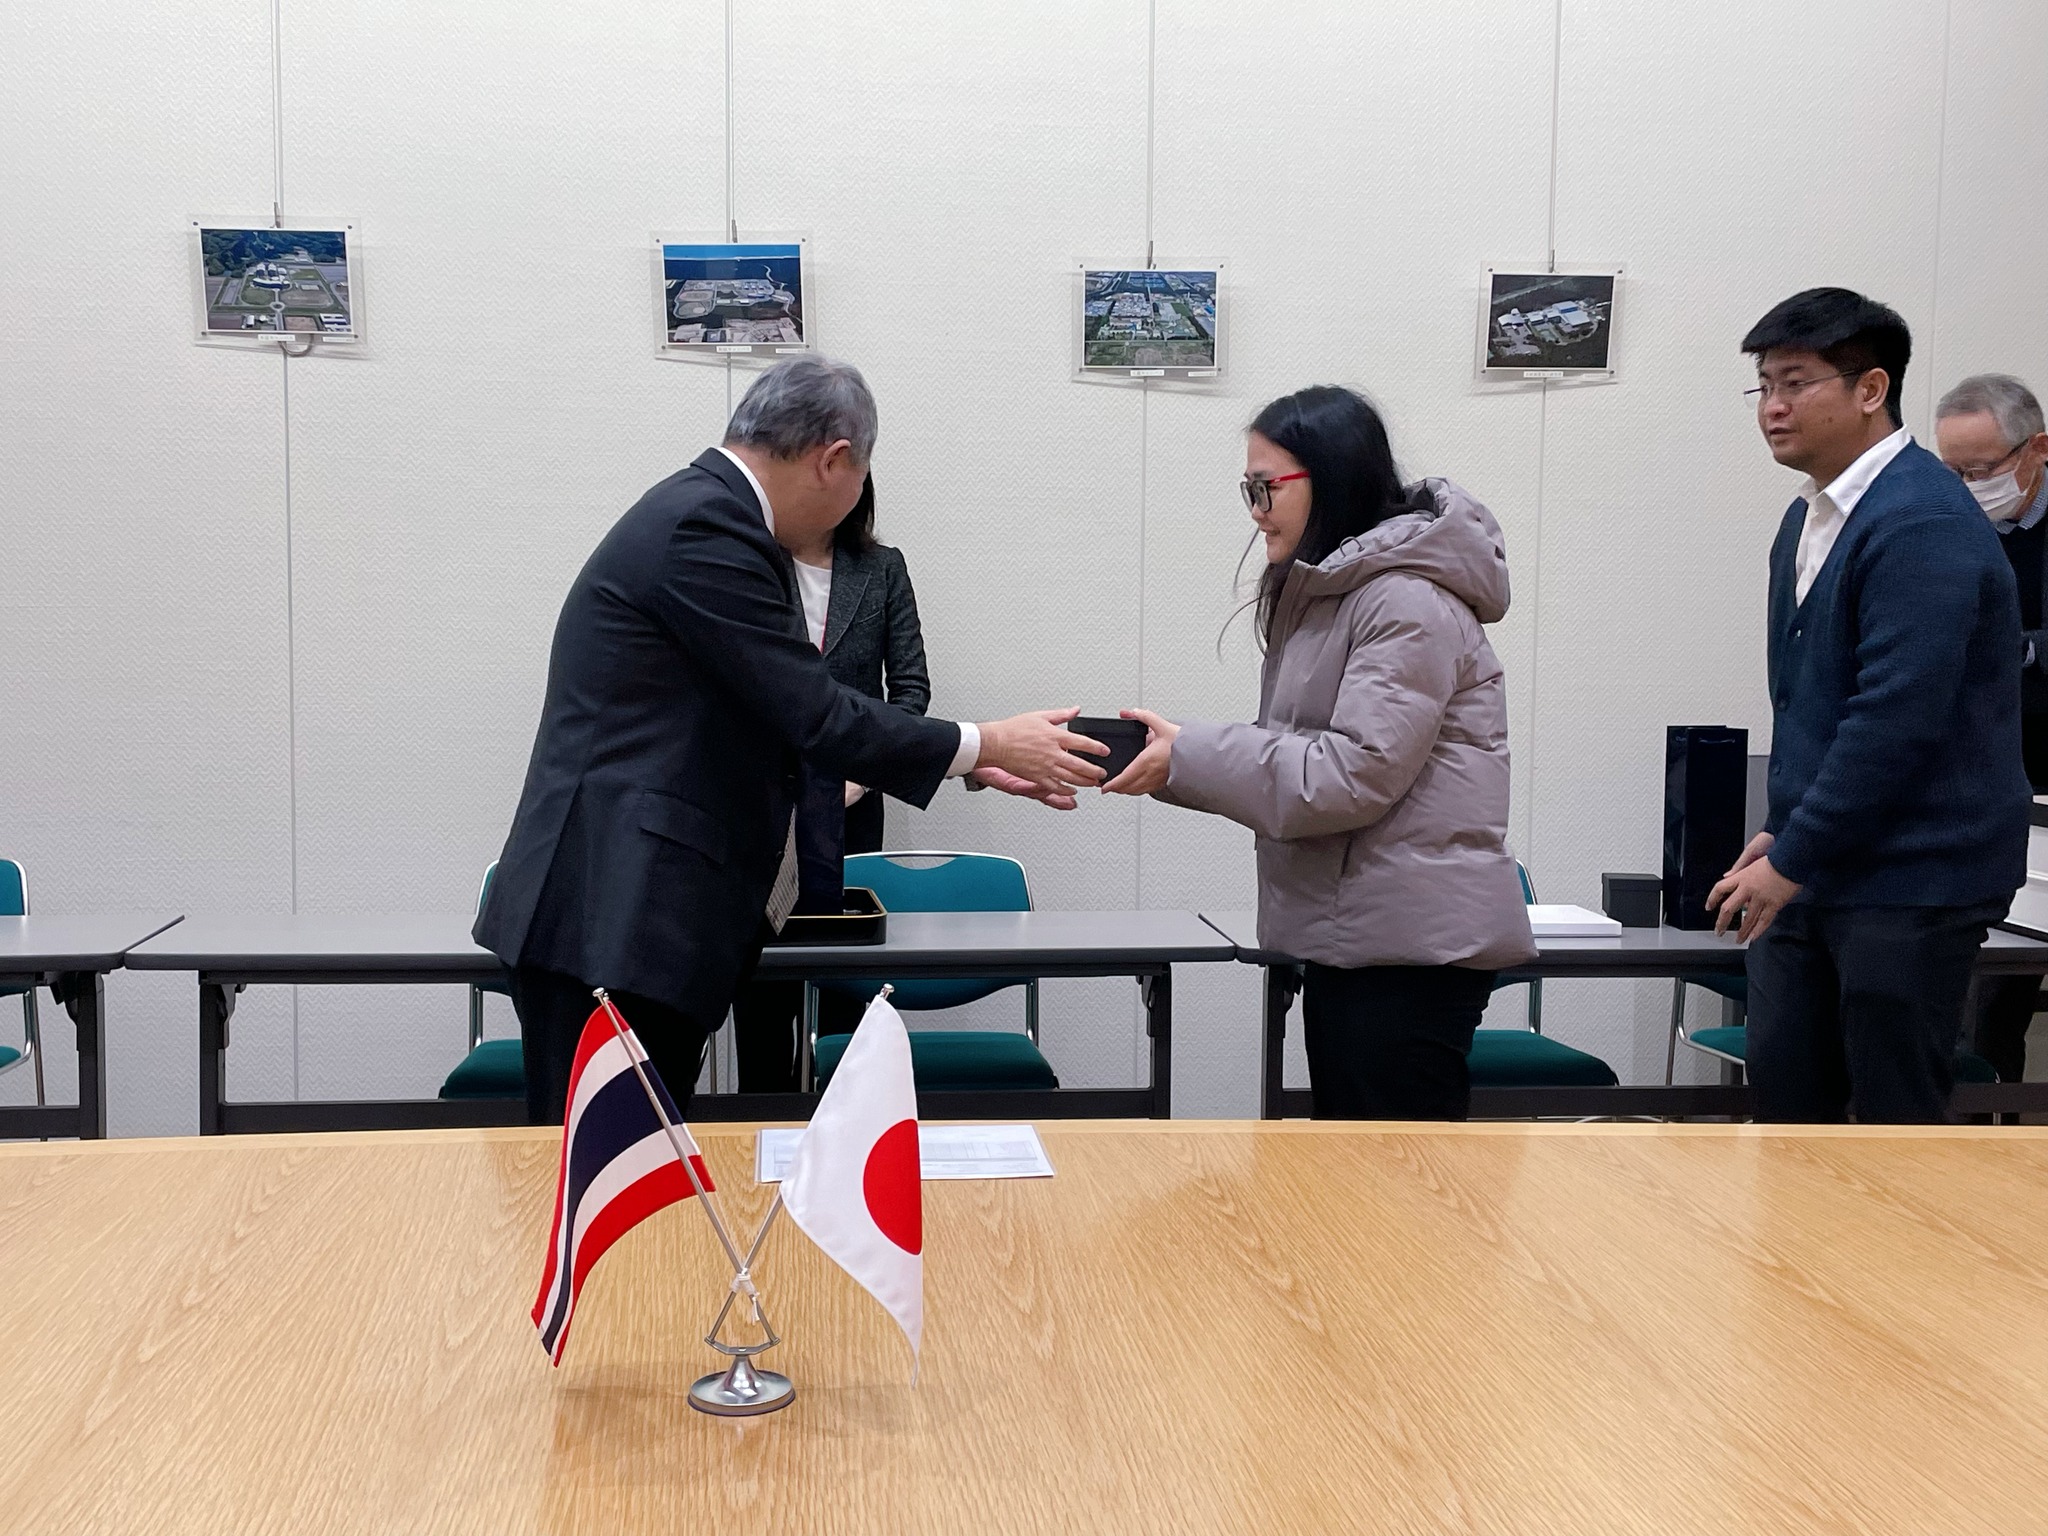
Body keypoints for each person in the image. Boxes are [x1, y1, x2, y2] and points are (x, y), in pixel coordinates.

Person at [475, 355, 1107, 1123]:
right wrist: (988, 745)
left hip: (628, 917)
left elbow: (774, 728)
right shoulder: (708, 528)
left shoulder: (707, 515)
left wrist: (969, 767)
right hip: (609, 917)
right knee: (614, 1176)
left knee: (641, 1173)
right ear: (835, 461)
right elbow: (815, 713)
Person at [1103, 385, 1535, 1120]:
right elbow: (1305, 757)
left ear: (1329, 477)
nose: (1254, 509)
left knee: (1395, 1177)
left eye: (1265, 487)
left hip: (1407, 953)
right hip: (1370, 939)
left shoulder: (1403, 601)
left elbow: (1349, 775)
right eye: (1247, 488)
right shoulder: (1343, 594)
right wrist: (1178, 760)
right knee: (1361, 1170)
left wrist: (1189, 755)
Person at [1708, 289, 2029, 1123]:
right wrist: (1786, 829)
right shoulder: (1808, 518)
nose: (1773, 407)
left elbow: (1896, 718)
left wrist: (1794, 853)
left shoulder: (1921, 518)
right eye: (1764, 386)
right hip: (1825, 861)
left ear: (1871, 389)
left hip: (1913, 873)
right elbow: (1813, 703)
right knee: (1787, 1104)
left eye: (1796, 383)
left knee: (1889, 1125)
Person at [730, 472, 933, 1091]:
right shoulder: (750, 564)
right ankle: (763, 1122)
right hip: (761, 811)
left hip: (851, 813)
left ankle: (844, 1125)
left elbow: (910, 691)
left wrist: (863, 774)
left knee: (846, 996)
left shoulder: (882, 568)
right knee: (763, 998)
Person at [1935, 373, 2048, 1088]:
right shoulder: (1942, 519)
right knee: (1959, 986)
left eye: (1982, 470)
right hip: (1967, 781)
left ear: (2038, 449)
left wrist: (2020, 649)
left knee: (2004, 989)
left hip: (2042, 783)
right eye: (1953, 471)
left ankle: (1987, 1121)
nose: (1969, 487)